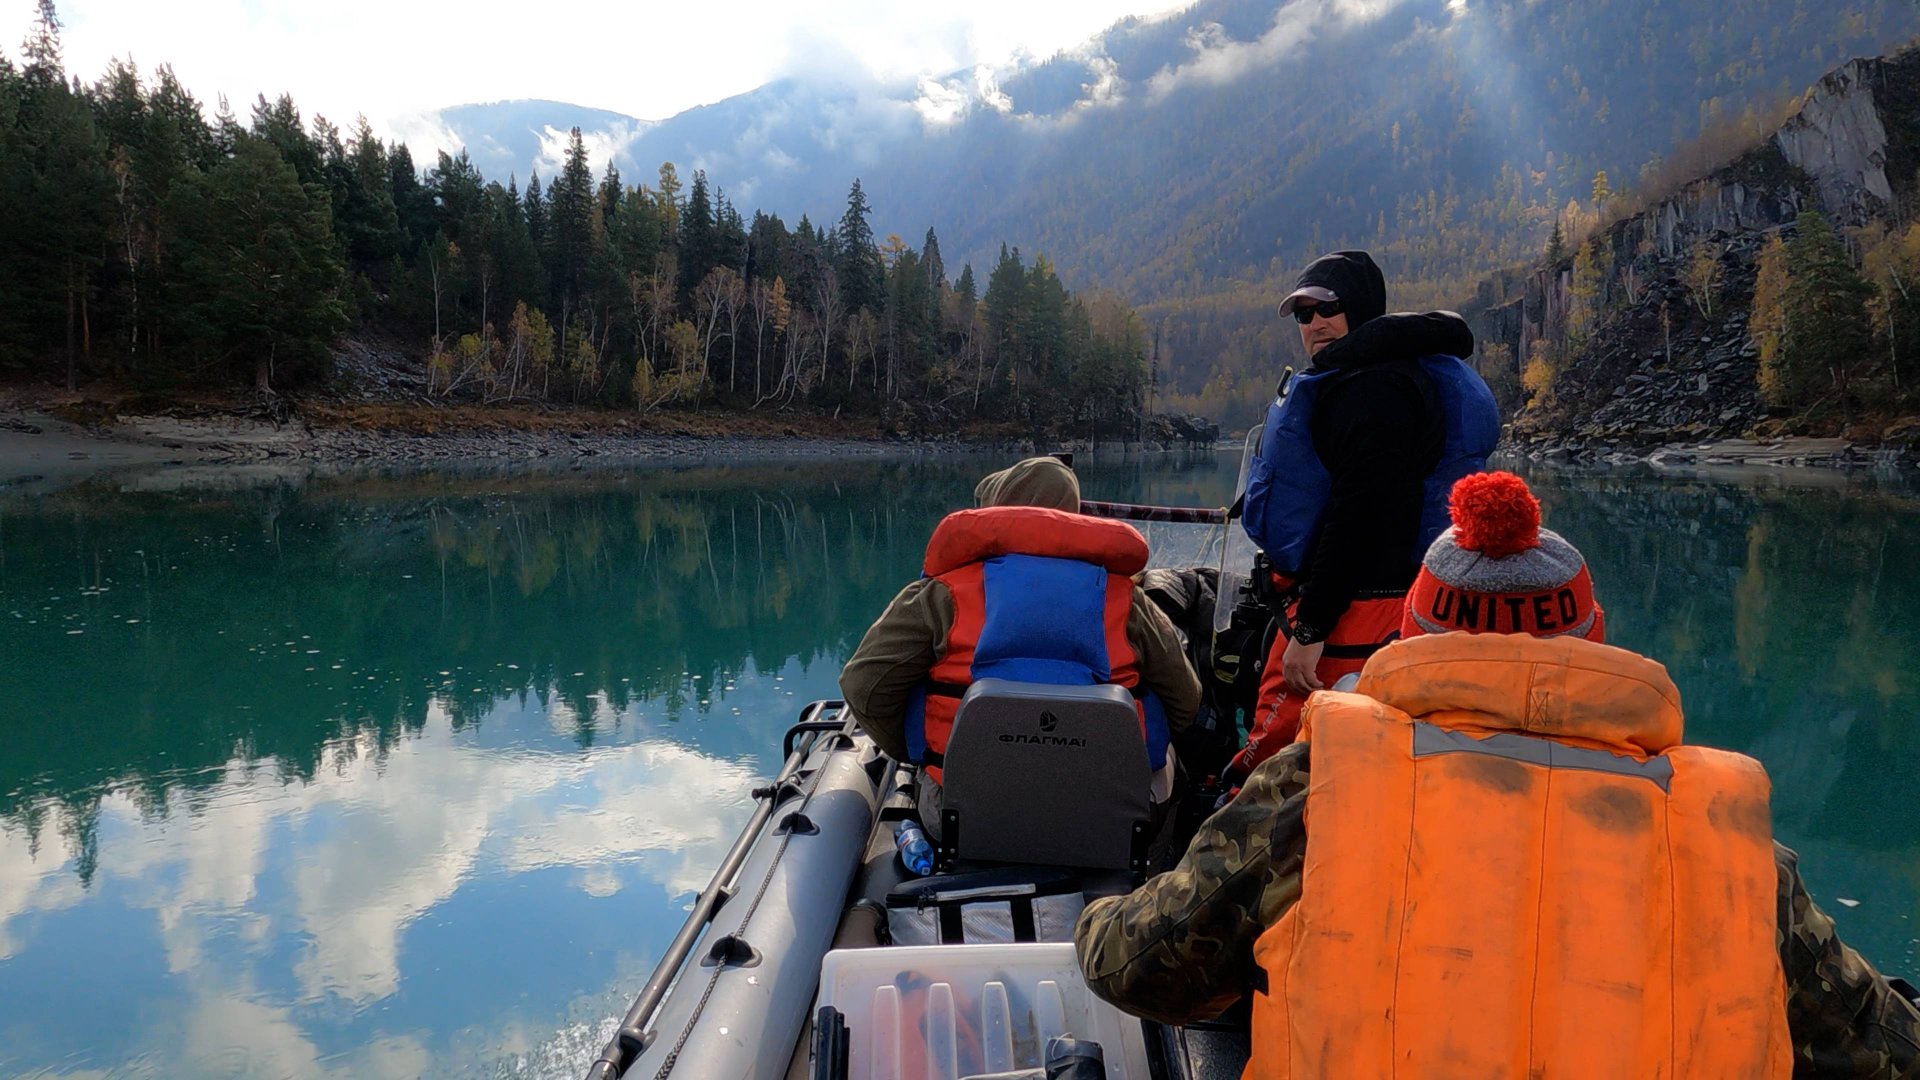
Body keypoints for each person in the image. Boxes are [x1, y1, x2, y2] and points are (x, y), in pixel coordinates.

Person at [1076, 472, 1920, 1077]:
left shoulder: (1319, 788)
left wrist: (1095, 911)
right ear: (1597, 635)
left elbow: (1140, 968)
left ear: (1408, 636)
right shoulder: (1727, 835)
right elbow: (1884, 1048)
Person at [1231, 250, 1500, 780]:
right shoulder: (1363, 378)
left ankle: (1250, 850)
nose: (1314, 325)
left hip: (1361, 608)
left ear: (1360, 306)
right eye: (1303, 315)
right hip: (1372, 601)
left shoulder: (1375, 391)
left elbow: (1361, 511)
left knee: (1280, 762)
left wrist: (1311, 628)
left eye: (1326, 308)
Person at [840, 456, 1203, 837]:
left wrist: (920, 752)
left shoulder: (943, 593)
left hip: (963, 817)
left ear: (995, 512)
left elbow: (864, 686)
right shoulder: (1127, 599)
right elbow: (1186, 699)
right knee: (1165, 757)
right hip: (1103, 819)